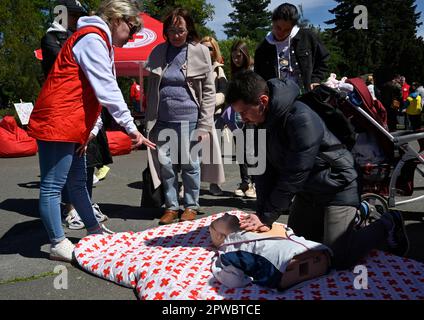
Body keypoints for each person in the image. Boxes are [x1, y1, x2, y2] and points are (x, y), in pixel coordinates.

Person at [226, 70, 410, 270]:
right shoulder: (259, 123)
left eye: (243, 112)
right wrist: (261, 215)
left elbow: (295, 172)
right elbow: (264, 173)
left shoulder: (300, 117)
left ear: (262, 100)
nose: (242, 119)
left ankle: (388, 222)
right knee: (296, 245)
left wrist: (267, 216)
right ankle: (356, 215)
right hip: (309, 192)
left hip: (338, 187)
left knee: (338, 258)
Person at [28, 0, 156, 262]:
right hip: (58, 119)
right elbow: (107, 88)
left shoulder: (99, 41)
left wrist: (91, 130)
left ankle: (94, 229)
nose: (132, 38)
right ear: (118, 19)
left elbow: (94, 96)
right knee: (53, 186)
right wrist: (132, 128)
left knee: (77, 182)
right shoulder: (92, 38)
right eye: (132, 30)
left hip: (73, 121)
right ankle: (57, 242)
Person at [144, 8, 223, 225]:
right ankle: (171, 207)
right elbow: (151, 90)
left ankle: (190, 205)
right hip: (162, 120)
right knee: (166, 165)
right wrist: (147, 119)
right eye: (171, 30)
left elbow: (209, 91)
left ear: (189, 30)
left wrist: (205, 124)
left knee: (190, 164)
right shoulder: (158, 52)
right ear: (166, 32)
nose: (176, 35)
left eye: (180, 30)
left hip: (190, 119)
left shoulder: (200, 51)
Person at [210, 213, 332, 289]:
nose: (225, 213)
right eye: (219, 219)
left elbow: (287, 231)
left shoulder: (259, 226)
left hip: (312, 249)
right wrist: (250, 279)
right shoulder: (230, 250)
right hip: (282, 262)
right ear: (219, 236)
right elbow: (233, 280)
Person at [254, 3, 329, 93]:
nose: (281, 32)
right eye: (278, 27)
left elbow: (323, 59)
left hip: (304, 94)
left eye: (286, 30)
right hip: (277, 97)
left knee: (302, 108)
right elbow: (258, 77)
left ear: (293, 27)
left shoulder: (307, 37)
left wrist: (315, 80)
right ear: (273, 22)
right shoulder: (262, 48)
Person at [229, 40, 257, 199]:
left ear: (245, 55)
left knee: (252, 150)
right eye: (233, 57)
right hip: (236, 116)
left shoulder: (253, 71)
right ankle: (245, 182)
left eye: (238, 56)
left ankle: (255, 183)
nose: (236, 60)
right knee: (240, 151)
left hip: (251, 116)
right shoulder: (234, 73)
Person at [200, 36, 228, 196]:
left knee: (213, 153)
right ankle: (190, 184)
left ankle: (214, 184)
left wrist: (209, 102)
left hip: (214, 117)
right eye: (203, 47)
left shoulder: (218, 69)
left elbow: (224, 92)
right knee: (194, 152)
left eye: (209, 48)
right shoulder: (192, 67)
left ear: (214, 50)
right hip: (195, 116)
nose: (206, 51)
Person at [41, 0, 88, 78]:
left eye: (80, 17)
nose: (78, 20)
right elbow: (64, 62)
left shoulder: (81, 36)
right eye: (74, 15)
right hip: (58, 87)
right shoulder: (50, 38)